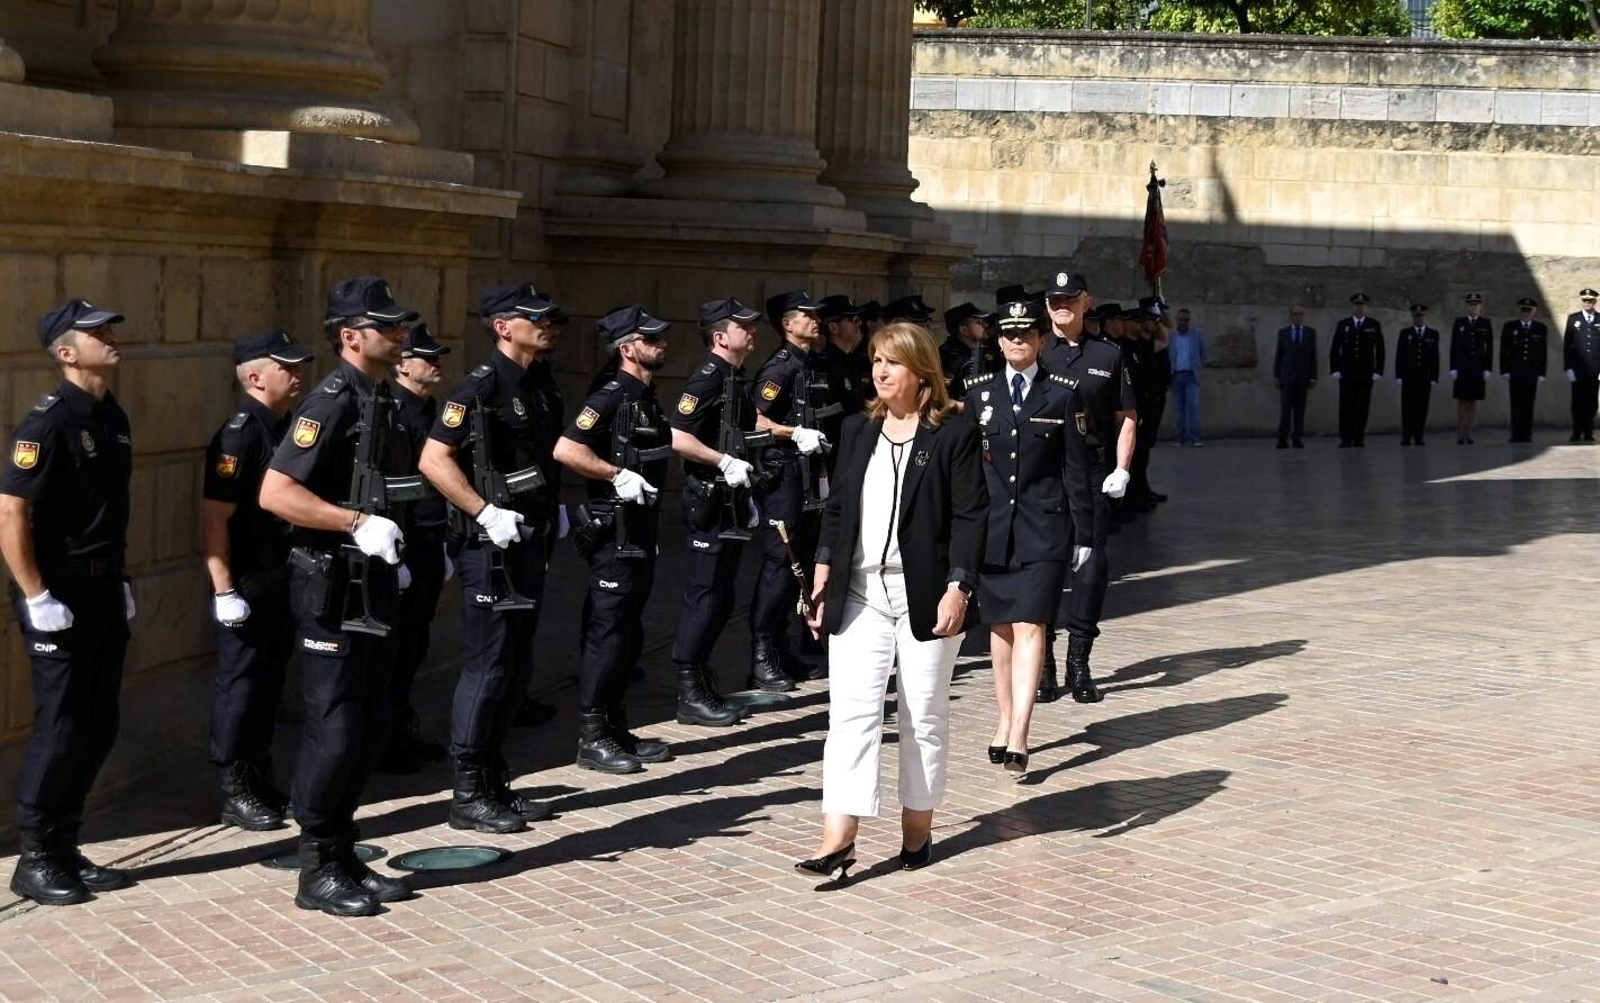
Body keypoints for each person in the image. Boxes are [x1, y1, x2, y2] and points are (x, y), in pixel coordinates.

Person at [796, 322, 987, 879]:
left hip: (924, 594)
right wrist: (822, 576)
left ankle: (917, 827)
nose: (879, 371)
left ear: (920, 371)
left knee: (922, 715)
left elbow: (972, 515)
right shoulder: (856, 430)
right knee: (850, 715)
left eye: (892, 362)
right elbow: (836, 513)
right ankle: (839, 838)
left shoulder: (954, 432)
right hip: (859, 594)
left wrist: (960, 585)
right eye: (876, 360)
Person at [258, 276, 418, 916]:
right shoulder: (331, 402)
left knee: (370, 723)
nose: (400, 335)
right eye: (388, 327)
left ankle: (345, 852)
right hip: (330, 586)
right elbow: (275, 494)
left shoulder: (379, 398)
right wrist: (355, 524)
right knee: (336, 726)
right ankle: (316, 866)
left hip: (369, 581)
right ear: (351, 337)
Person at [1, 298, 136, 906]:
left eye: (110, 329)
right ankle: (34, 857)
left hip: (103, 584)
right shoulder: (45, 423)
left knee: (99, 719)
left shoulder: (114, 416)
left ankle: (66, 843)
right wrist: (37, 597)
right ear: (65, 352)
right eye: (97, 333)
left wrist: (121, 578)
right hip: (58, 591)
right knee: (60, 722)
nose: (111, 338)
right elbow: (11, 513)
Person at [419, 283, 565, 828]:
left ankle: (495, 781)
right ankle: (467, 792)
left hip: (530, 538)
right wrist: (482, 512)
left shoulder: (543, 384)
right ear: (503, 326)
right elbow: (435, 460)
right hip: (491, 546)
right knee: (488, 664)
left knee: (517, 661)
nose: (549, 325)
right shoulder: (478, 388)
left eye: (552, 317)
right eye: (537, 317)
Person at [964, 300, 1095, 777]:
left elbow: (1076, 468)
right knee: (999, 629)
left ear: (1042, 340)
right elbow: (968, 470)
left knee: (1031, 624)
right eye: (1008, 335)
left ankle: (1020, 730)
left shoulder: (1062, 393)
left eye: (1026, 335)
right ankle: (1003, 718)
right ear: (998, 341)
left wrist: (1085, 532)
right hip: (994, 530)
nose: (1016, 341)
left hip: (1045, 528)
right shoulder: (978, 393)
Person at [554, 305, 674, 774]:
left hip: (639, 530)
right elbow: (566, 448)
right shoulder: (611, 396)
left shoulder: (645, 395)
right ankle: (593, 735)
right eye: (652, 339)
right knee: (607, 634)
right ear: (628, 348)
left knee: (628, 633)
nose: (662, 344)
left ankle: (616, 726)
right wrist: (614, 474)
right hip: (614, 531)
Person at [204, 330, 314, 832]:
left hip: (279, 571)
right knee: (241, 685)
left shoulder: (285, 425)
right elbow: (215, 519)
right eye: (286, 367)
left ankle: (261, 775)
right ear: (254, 377)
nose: (297, 375)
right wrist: (224, 589)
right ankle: (235, 786)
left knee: (269, 681)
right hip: (247, 577)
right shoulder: (240, 434)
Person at [666, 297, 767, 729]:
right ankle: (690, 690)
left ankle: (703, 679)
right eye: (743, 327)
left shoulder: (733, 378)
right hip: (709, 501)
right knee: (705, 595)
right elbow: (678, 435)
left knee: (722, 594)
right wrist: (721, 461)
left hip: (732, 502)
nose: (752, 332)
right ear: (721, 337)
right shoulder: (707, 379)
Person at [1036, 271, 1135, 704]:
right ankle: (1043, 663)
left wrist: (1122, 468)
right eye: (1055, 300)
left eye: (1070, 300)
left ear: (1086, 302)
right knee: (1042, 565)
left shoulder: (1107, 355)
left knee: (1090, 566)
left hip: (1092, 472)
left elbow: (1126, 415)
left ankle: (1080, 659)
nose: (1063, 306)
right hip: (1043, 472)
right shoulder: (1032, 350)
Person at [748, 291, 831, 692]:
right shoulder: (779, 368)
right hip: (781, 478)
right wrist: (792, 432)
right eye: (806, 316)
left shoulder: (808, 362)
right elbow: (756, 419)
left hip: (806, 477)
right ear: (786, 324)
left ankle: (781, 650)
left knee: (798, 562)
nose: (815, 321)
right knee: (779, 565)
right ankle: (762, 654)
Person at [379, 322, 452, 775]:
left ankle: (401, 731)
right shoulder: (391, 413)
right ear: (403, 366)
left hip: (429, 541)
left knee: (415, 643)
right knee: (394, 648)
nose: (437, 364)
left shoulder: (434, 411)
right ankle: (385, 742)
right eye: (428, 357)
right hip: (399, 544)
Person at [1330, 292, 1384, 447]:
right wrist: (1335, 368)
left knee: (1362, 405)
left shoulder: (1373, 324)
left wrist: (1378, 370)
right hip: (1347, 371)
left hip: (1366, 372)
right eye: (1357, 305)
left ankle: (1359, 437)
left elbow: (1380, 349)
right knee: (1346, 405)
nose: (1360, 307)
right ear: (1353, 306)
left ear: (1366, 307)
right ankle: (1346, 437)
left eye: (1362, 305)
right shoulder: (1343, 324)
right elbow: (1335, 347)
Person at [1501, 297, 1548, 443]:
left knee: (1529, 403)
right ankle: (1516, 434)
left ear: (1534, 311)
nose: (1526, 313)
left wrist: (1542, 372)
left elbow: (1543, 353)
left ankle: (1527, 434)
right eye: (1524, 310)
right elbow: (1504, 350)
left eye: (1529, 310)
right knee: (1515, 403)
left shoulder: (1540, 328)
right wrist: (1504, 370)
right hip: (1515, 371)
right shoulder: (1510, 327)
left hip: (1531, 372)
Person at [1449, 293, 1493, 445]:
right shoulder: (1459, 322)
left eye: (1476, 304)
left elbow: (1490, 348)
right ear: (1466, 306)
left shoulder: (1485, 323)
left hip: (1478, 367)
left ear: (1480, 306)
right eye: (1470, 304)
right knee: (1462, 401)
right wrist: (1453, 367)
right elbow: (1454, 346)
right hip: (1462, 367)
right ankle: (1460, 432)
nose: (1473, 307)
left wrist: (1488, 368)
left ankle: (1470, 431)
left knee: (1473, 401)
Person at [1394, 304, 1441, 446]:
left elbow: (1435, 357)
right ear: (1412, 317)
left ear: (1424, 317)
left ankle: (1419, 436)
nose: (1418, 319)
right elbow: (1400, 356)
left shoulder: (1433, 334)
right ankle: (1406, 437)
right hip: (1409, 376)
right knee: (1407, 407)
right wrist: (1399, 375)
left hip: (1424, 377)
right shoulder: (1405, 333)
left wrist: (1434, 376)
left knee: (1422, 407)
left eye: (1420, 316)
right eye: (1416, 316)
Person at [939, 301, 1001, 405]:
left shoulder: (984, 349)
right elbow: (944, 394)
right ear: (964, 330)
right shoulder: (950, 357)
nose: (985, 325)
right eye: (980, 322)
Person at [1274, 306, 1317, 448]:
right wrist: (1276, 376)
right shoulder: (1283, 333)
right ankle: (1282, 438)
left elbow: (1313, 356)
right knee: (1285, 410)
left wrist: (1313, 376)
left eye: (1300, 314)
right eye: (1295, 314)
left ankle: (1297, 438)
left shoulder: (1310, 333)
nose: (1298, 316)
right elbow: (1279, 356)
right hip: (1286, 377)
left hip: (1303, 378)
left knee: (1300, 410)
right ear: (1290, 316)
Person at [1562, 288, 1600, 443]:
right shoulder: (1573, 319)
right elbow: (1567, 344)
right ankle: (1576, 431)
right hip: (1577, 369)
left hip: (1594, 369)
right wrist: (1568, 367)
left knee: (1592, 402)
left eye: (1590, 300)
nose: (1587, 303)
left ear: (1595, 302)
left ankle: (1588, 432)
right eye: (1585, 300)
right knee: (1577, 401)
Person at [1168, 307, 1206, 446]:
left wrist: (1198, 367)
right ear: (1177, 320)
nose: (1183, 322)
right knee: (1178, 409)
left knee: (1193, 407)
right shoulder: (1171, 337)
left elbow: (1203, 353)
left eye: (1186, 320)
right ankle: (1181, 438)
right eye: (1181, 320)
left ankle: (1196, 438)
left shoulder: (1197, 335)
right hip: (1176, 375)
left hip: (1192, 376)